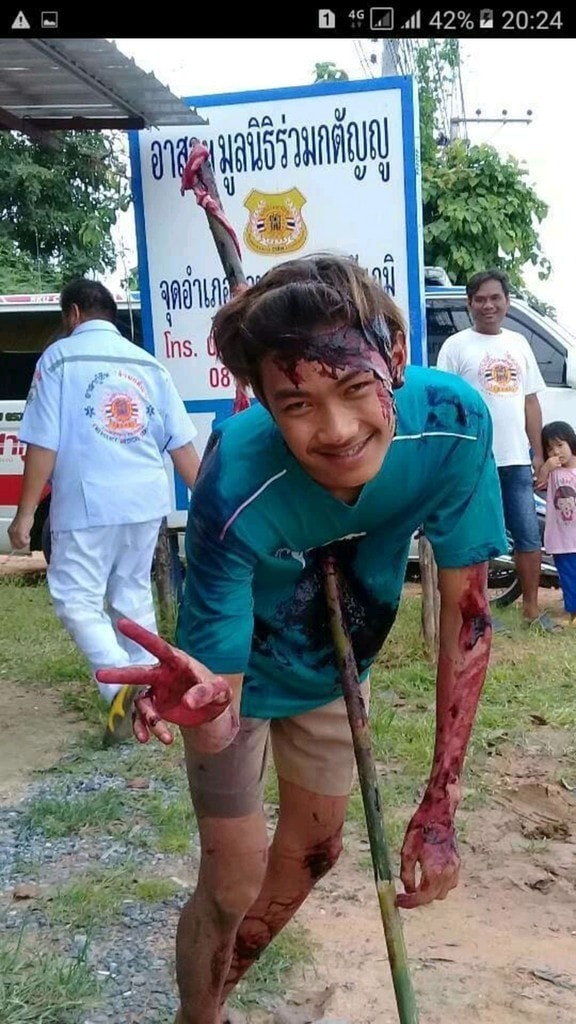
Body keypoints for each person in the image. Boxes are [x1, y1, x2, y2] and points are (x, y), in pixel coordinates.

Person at [96, 253, 507, 1024]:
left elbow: (469, 617)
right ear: (261, 400)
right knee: (232, 880)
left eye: (354, 389)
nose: (338, 430)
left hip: (332, 663)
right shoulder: (234, 480)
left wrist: (440, 805)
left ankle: (217, 993)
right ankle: (199, 1017)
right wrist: (208, 710)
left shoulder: (452, 427)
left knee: (316, 852)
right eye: (297, 404)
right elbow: (219, 689)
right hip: (234, 673)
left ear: (395, 357)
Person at [8, 278, 200, 745]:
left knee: (76, 598)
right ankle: (150, 701)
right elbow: (182, 446)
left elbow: (43, 443)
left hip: (89, 498)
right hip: (145, 500)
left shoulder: (59, 359)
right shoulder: (148, 364)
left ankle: (121, 689)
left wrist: (25, 514)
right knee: (132, 596)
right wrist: (212, 505)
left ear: (73, 313)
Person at [436, 268, 558, 632]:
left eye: (495, 298)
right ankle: (478, 614)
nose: (488, 305)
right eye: (480, 299)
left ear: (507, 301)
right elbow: (445, 403)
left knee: (527, 535)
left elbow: (530, 403)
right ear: (469, 303)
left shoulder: (519, 344)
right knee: (477, 539)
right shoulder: (455, 346)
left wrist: (538, 454)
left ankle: (531, 610)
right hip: (474, 460)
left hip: (516, 459)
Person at [536, 420, 576, 624]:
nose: (556, 452)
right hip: (562, 538)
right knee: (568, 577)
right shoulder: (553, 472)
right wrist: (546, 468)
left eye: (560, 445)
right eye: (550, 449)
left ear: (571, 442)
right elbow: (538, 483)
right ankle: (573, 613)